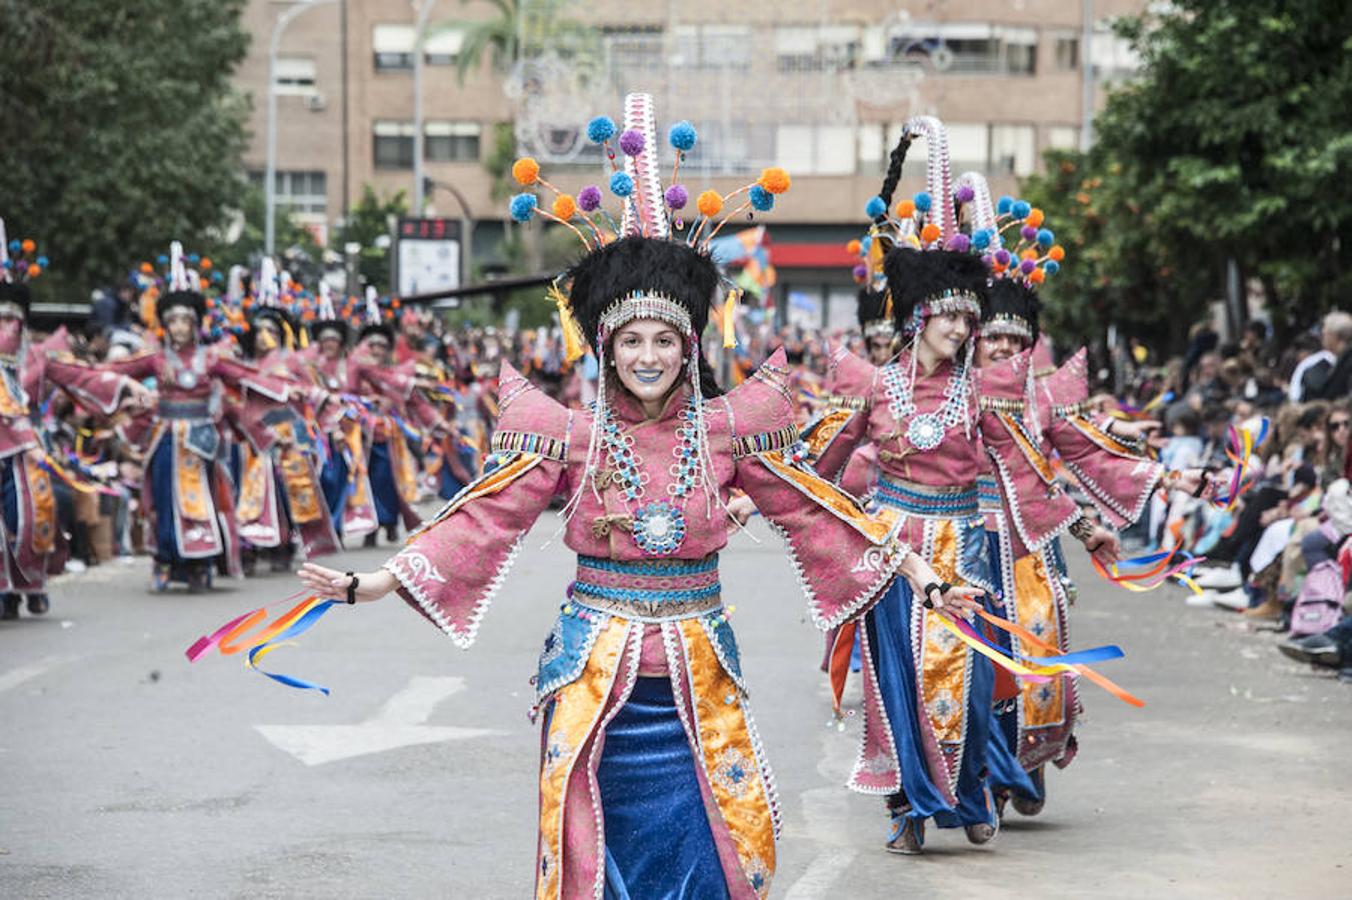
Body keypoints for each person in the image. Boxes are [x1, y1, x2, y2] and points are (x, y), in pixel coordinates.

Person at [299, 96, 980, 898]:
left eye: (664, 339)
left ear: (689, 345)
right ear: (606, 349)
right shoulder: (569, 437)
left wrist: (917, 573)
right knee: (594, 856)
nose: (648, 356)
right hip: (594, 686)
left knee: (723, 848)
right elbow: (484, 515)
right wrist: (381, 579)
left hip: (697, 676)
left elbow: (812, 506)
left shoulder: (728, 430)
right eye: (631, 341)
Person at [803, 118, 1122, 855]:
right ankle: (907, 812)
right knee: (897, 689)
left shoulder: (984, 393)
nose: (961, 325)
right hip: (892, 550)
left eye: (967, 314)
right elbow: (819, 464)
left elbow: (1027, 475)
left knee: (974, 689)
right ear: (918, 316)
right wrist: (759, 492)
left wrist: (1085, 528)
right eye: (948, 313)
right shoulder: (874, 386)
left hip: (965, 552)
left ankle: (974, 787)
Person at [102, 243, 293, 591]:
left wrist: (288, 388)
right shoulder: (155, 359)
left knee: (202, 499)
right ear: (163, 325)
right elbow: (113, 370)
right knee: (162, 498)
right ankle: (166, 559)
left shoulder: (211, 358)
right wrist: (128, 385)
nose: (178, 327)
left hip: (202, 440)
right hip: (164, 438)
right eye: (171, 320)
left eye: (185, 320)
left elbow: (245, 376)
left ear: (195, 324)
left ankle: (201, 561)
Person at [0, 223, 149, 619]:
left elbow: (82, 377)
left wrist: (123, 386)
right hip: (10, 444)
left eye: (11, 320)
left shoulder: (38, 359)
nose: (6, 329)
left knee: (31, 519)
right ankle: (5, 591)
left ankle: (30, 582)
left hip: (28, 451)